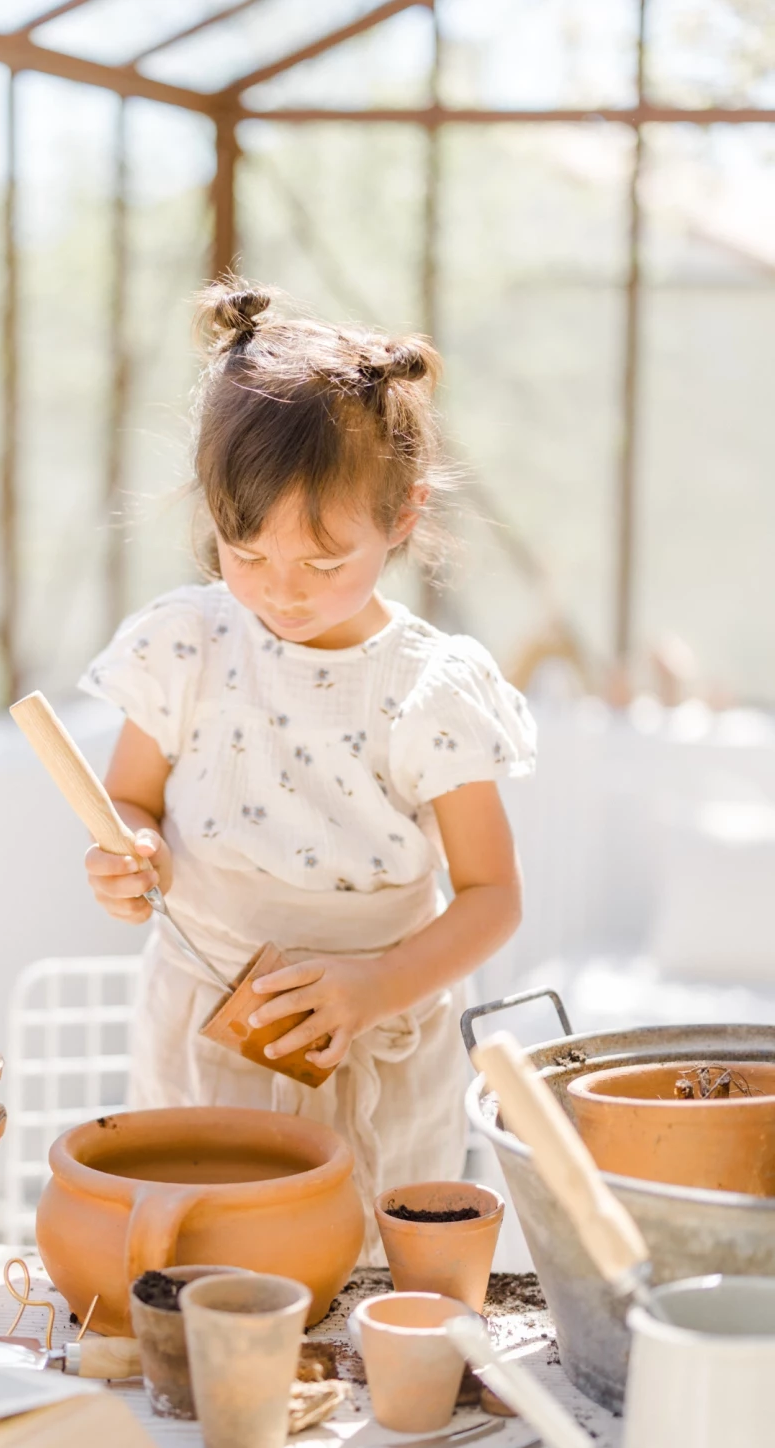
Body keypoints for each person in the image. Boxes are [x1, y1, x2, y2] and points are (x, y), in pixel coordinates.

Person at [79, 285, 535, 1257]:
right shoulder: (185, 644)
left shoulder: (429, 690)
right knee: (202, 1266)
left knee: (366, 1287)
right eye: (246, 553)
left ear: (403, 514)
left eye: (325, 561)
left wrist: (374, 986)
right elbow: (128, 804)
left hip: (379, 1046)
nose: (282, 592)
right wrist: (128, 854)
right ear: (211, 516)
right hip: (204, 1035)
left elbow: (493, 898)